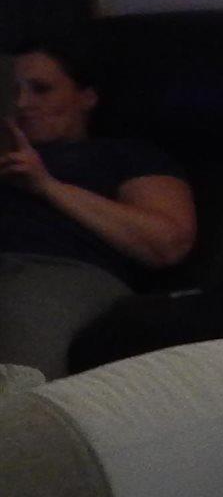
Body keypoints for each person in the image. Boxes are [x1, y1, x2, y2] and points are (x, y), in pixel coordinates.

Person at [0, 43, 197, 377]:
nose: (22, 104)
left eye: (42, 89)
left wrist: (47, 185)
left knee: (15, 351)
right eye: (13, 92)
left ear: (86, 98)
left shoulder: (124, 155)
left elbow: (166, 243)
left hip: (57, 272)